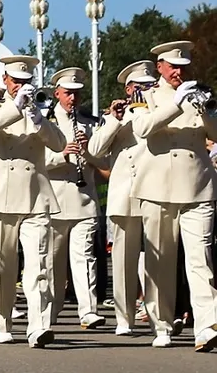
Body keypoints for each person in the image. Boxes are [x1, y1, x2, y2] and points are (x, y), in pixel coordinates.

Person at [129, 40, 217, 350]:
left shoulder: (197, 95)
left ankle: (207, 324)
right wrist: (177, 102)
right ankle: (162, 323)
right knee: (161, 262)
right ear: (161, 69)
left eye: (184, 66)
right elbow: (142, 128)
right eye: (173, 67)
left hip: (198, 186)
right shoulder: (146, 96)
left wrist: (205, 110)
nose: (179, 71)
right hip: (158, 188)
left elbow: (215, 134)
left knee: (200, 258)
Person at [0, 53, 64, 348]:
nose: (22, 86)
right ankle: (2, 321)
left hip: (35, 196)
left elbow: (60, 144)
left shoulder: (40, 111)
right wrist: (15, 106)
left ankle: (38, 326)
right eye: (17, 81)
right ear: (5, 81)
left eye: (27, 81)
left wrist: (39, 120)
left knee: (39, 265)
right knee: (1, 268)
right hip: (0, 196)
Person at [91, 59, 157, 335]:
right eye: (139, 87)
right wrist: (113, 121)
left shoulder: (158, 111)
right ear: (128, 89)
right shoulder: (115, 117)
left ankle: (158, 316)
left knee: (157, 259)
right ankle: (124, 317)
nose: (144, 91)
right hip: (124, 194)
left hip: (154, 190)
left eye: (149, 85)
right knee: (123, 260)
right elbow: (94, 151)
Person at [43, 66, 106, 329]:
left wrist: (87, 152)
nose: (73, 99)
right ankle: (52, 309)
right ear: (57, 93)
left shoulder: (90, 123)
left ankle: (88, 310)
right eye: (68, 93)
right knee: (54, 262)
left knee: (85, 258)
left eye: (77, 94)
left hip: (84, 201)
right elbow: (38, 162)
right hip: (55, 201)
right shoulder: (46, 122)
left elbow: (103, 165)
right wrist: (62, 156)